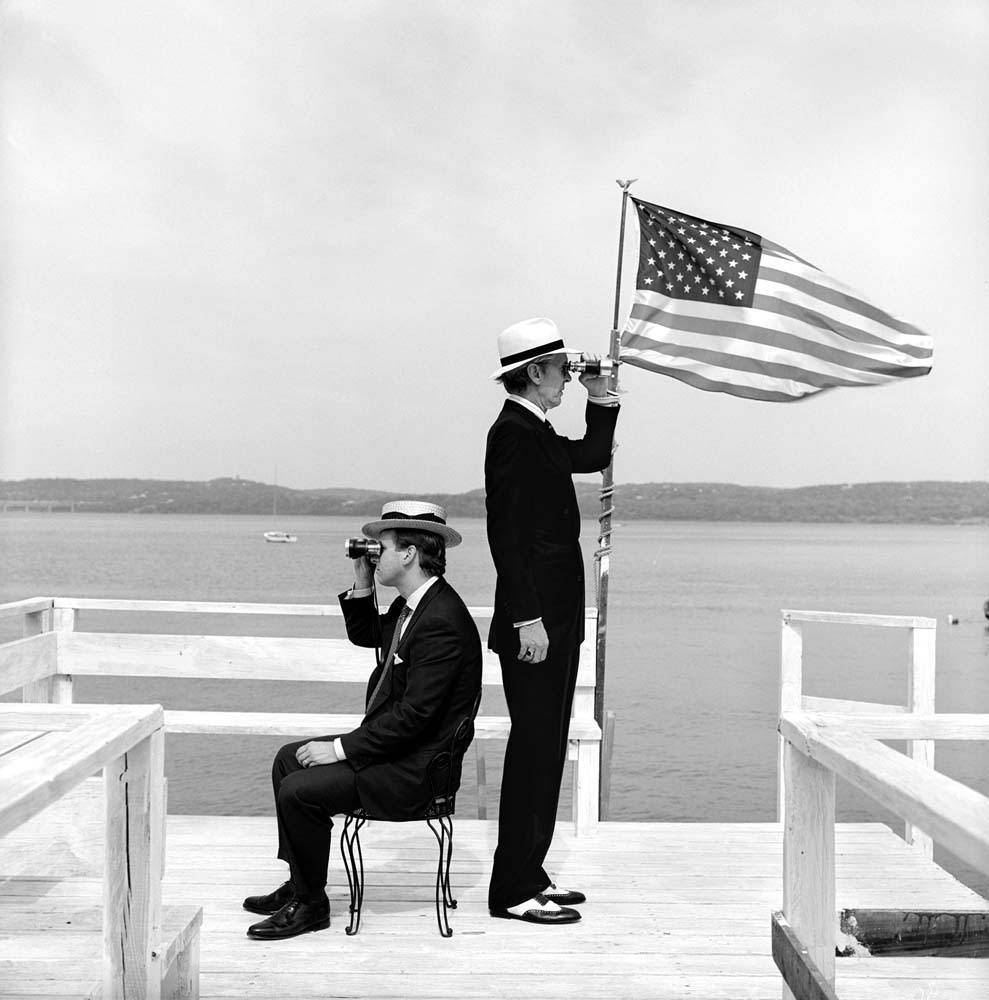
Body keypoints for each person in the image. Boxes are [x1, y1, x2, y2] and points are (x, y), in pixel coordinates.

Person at [243, 500, 483, 940]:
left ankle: (311, 906)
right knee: (288, 759)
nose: (375, 554)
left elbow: (414, 718)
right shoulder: (417, 605)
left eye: (383, 547)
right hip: (398, 750)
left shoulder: (442, 620)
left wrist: (339, 749)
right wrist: (361, 580)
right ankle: (302, 883)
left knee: (300, 789)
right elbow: (366, 635)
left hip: (416, 770)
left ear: (409, 554)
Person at [485, 317, 620, 925]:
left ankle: (530, 872)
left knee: (546, 748)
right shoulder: (511, 433)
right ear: (533, 372)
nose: (568, 374)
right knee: (534, 750)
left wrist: (601, 397)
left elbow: (590, 455)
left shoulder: (535, 429)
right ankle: (512, 889)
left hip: (555, 621)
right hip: (535, 625)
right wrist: (527, 620)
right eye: (562, 368)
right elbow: (505, 536)